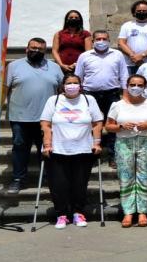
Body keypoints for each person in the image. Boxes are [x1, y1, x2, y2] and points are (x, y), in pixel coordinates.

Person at [40, 74, 103, 229]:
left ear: (81, 86)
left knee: (80, 184)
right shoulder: (53, 100)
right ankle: (61, 214)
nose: (72, 86)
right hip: (58, 149)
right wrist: (47, 144)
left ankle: (78, 212)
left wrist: (97, 143)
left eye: (75, 83)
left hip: (83, 149)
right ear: (63, 85)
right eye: (69, 83)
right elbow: (45, 124)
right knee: (58, 184)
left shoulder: (89, 100)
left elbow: (97, 123)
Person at [5, 37, 64, 194]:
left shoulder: (55, 67)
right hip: (19, 116)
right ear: (27, 48)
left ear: (45, 51)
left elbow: (61, 91)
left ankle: (47, 178)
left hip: (46, 118)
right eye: (33, 48)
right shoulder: (13, 66)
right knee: (19, 148)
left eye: (40, 49)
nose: (36, 51)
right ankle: (18, 179)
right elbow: (4, 90)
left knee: (46, 148)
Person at [105, 74, 147, 228]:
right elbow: (108, 126)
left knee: (144, 176)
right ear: (127, 86)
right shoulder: (117, 105)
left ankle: (142, 212)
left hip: (146, 141)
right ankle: (128, 212)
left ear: (145, 87)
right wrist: (121, 126)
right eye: (133, 84)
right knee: (125, 176)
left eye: (140, 85)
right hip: (124, 142)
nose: (136, 88)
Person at [75, 30, 129, 168]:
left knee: (112, 125)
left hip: (112, 94)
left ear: (109, 40)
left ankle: (113, 156)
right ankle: (91, 155)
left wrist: (126, 95)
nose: (101, 41)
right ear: (92, 41)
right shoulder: (84, 56)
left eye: (104, 38)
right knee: (89, 125)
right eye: (98, 39)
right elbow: (78, 77)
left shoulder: (117, 55)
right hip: (89, 94)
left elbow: (124, 75)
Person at [118, 0, 147, 75]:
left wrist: (142, 55)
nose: (141, 12)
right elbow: (121, 43)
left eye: (144, 11)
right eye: (139, 11)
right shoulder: (127, 25)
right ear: (134, 12)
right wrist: (132, 56)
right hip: (129, 64)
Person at [51, 10, 92, 74]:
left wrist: (76, 64)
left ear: (80, 20)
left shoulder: (86, 34)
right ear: (67, 20)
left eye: (76, 18)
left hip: (79, 67)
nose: (73, 19)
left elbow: (88, 52)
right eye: (71, 17)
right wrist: (61, 65)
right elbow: (54, 51)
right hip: (61, 67)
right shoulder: (59, 34)